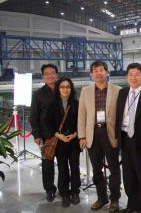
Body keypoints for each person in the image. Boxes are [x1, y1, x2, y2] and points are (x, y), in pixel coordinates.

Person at [78, 60, 121, 212]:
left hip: (110, 133)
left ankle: (115, 199)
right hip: (92, 134)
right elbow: (82, 114)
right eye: (95, 71)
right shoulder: (85, 91)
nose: (98, 73)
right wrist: (82, 135)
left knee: (114, 168)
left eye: (101, 70)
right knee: (97, 169)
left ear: (107, 72)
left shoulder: (118, 90)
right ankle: (102, 197)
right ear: (91, 74)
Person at [116, 63, 141, 213]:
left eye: (137, 74)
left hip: (140, 141)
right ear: (126, 77)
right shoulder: (123, 92)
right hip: (124, 138)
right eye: (130, 74)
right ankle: (131, 204)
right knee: (128, 174)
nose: (133, 77)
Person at [45, 77, 80, 207]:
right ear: (58, 89)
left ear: (71, 89)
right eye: (62, 87)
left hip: (73, 140)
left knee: (75, 167)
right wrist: (58, 135)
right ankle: (64, 193)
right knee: (62, 168)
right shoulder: (53, 104)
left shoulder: (76, 103)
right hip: (59, 142)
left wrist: (75, 134)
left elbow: (81, 121)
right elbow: (47, 122)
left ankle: (75, 192)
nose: (65, 89)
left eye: (68, 87)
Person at [30, 63, 58, 202]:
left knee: (65, 163)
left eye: (52, 73)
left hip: (64, 134)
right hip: (47, 135)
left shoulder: (64, 89)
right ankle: (49, 189)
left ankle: (65, 188)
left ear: (56, 75)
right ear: (43, 76)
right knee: (47, 164)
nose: (50, 75)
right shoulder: (38, 94)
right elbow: (33, 116)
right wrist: (37, 135)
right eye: (46, 73)